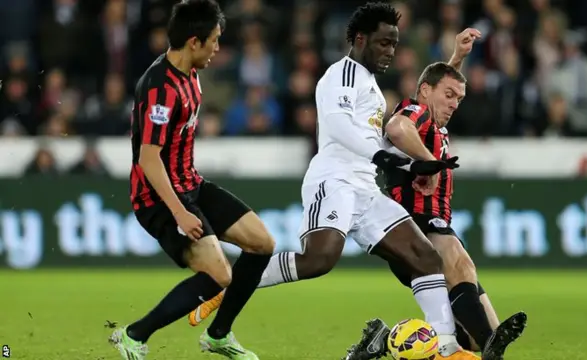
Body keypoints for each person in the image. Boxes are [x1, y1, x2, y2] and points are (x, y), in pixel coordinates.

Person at [190, 3, 481, 359]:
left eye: (394, 44)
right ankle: (233, 283)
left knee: (425, 256)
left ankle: (446, 348)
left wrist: (411, 166)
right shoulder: (342, 74)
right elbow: (340, 126)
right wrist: (384, 158)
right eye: (383, 43)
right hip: (334, 180)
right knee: (319, 260)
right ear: (360, 39)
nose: (390, 52)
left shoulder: (372, 88)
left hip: (365, 188)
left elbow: (378, 141)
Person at [341, 33, 527, 360]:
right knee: (459, 261)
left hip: (426, 227)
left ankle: (381, 341)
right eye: (450, 96)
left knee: (466, 336)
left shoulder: (432, 118)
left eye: (460, 98)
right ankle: (489, 347)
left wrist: (456, 58)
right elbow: (397, 127)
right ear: (426, 92)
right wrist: (431, 163)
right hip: (416, 222)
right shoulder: (416, 112)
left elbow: (437, 82)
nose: (455, 104)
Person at [108, 1, 274, 359]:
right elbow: (148, 159)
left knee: (262, 243)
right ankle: (134, 335)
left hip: (191, 184)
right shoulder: (159, 88)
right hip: (157, 197)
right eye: (214, 40)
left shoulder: (191, 76)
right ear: (194, 41)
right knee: (220, 274)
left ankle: (218, 335)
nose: (217, 48)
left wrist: (191, 199)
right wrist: (180, 214)